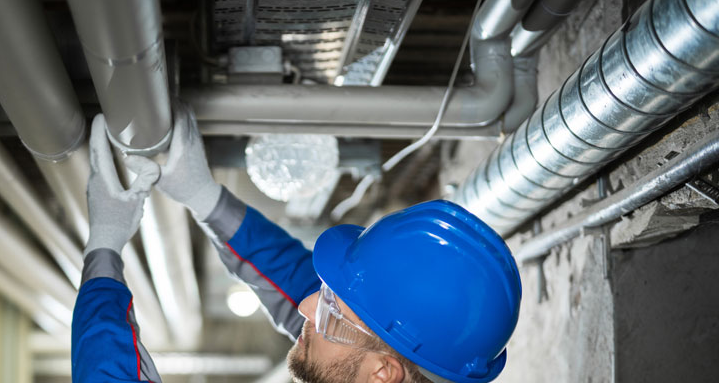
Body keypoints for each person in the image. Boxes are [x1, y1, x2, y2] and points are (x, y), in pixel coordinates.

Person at [73, 103, 522, 383]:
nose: (309, 307)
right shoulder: (376, 358)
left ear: (383, 374)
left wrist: (104, 249)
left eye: (329, 313)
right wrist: (203, 197)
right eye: (328, 299)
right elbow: (300, 287)